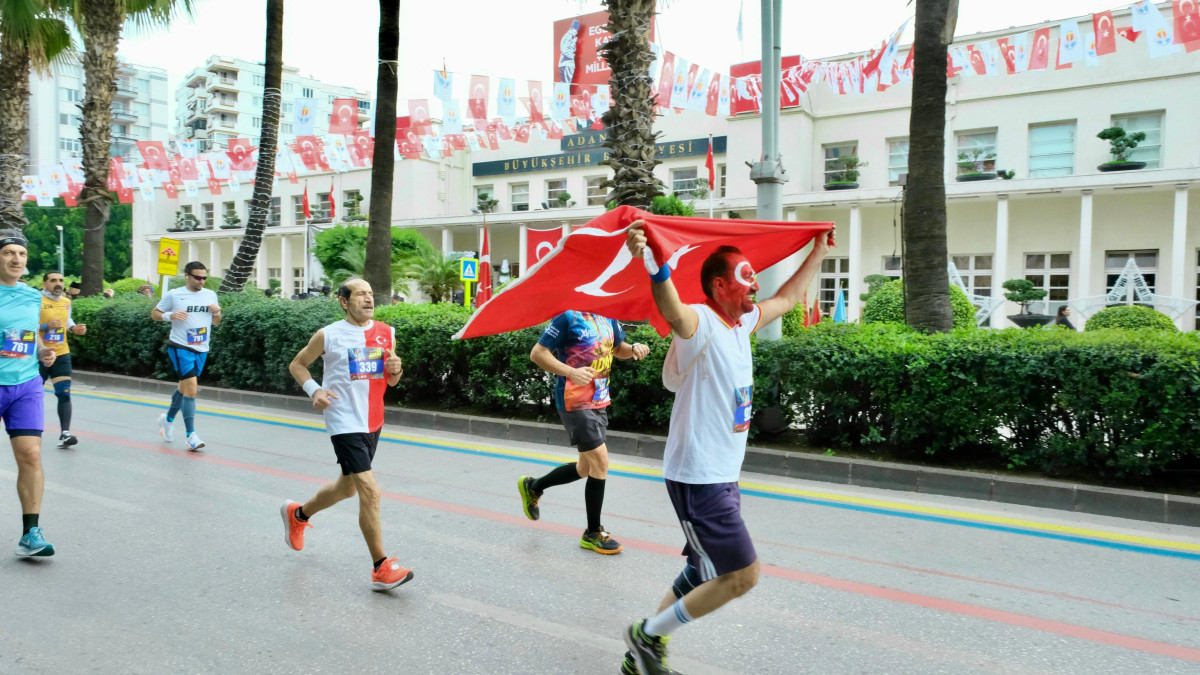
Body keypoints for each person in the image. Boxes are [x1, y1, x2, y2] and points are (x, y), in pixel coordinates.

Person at [620, 221, 832, 675]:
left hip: (722, 474)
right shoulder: (701, 322)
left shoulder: (743, 323)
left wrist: (817, 251)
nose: (755, 283)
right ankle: (646, 636)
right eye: (746, 275)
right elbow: (673, 311)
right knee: (741, 575)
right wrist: (654, 261)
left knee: (702, 571)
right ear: (720, 285)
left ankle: (642, 653)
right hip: (699, 477)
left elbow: (789, 299)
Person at [280, 278, 413, 592]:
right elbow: (297, 365)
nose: (368, 299)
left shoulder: (386, 331)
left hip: (373, 420)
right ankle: (381, 567)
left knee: (348, 488)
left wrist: (396, 369)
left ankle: (298, 514)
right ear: (343, 301)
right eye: (360, 295)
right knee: (370, 490)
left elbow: (391, 380)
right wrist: (314, 390)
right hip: (342, 419)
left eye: (370, 293)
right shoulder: (328, 335)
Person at [517, 312, 648, 554]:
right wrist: (569, 371)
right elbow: (538, 353)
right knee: (601, 461)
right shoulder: (568, 317)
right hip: (574, 400)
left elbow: (618, 348)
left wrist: (635, 349)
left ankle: (534, 486)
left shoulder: (608, 315)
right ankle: (592, 532)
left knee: (585, 468)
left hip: (599, 398)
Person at [0, 231, 60, 557]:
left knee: (32, 456)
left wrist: (42, 352)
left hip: (26, 385)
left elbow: (31, 336)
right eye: (9, 253)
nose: (16, 260)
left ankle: (31, 532)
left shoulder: (33, 296)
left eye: (21, 254)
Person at [152, 261, 221, 451]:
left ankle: (168, 419)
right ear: (187, 276)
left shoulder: (210, 295)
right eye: (198, 277)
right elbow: (155, 313)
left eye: (204, 277)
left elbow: (216, 322)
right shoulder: (175, 295)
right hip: (180, 346)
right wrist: (170, 316)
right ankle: (191, 436)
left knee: (184, 388)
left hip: (202, 347)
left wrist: (217, 313)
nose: (202, 281)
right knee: (191, 390)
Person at [39, 271, 87, 448]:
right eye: (53, 280)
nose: (58, 283)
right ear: (44, 284)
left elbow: (67, 321)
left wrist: (75, 328)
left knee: (64, 393)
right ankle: (31, 431)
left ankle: (65, 433)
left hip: (61, 353)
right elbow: (26, 325)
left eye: (60, 280)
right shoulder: (36, 301)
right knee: (34, 395)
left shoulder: (66, 302)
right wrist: (46, 326)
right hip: (39, 354)